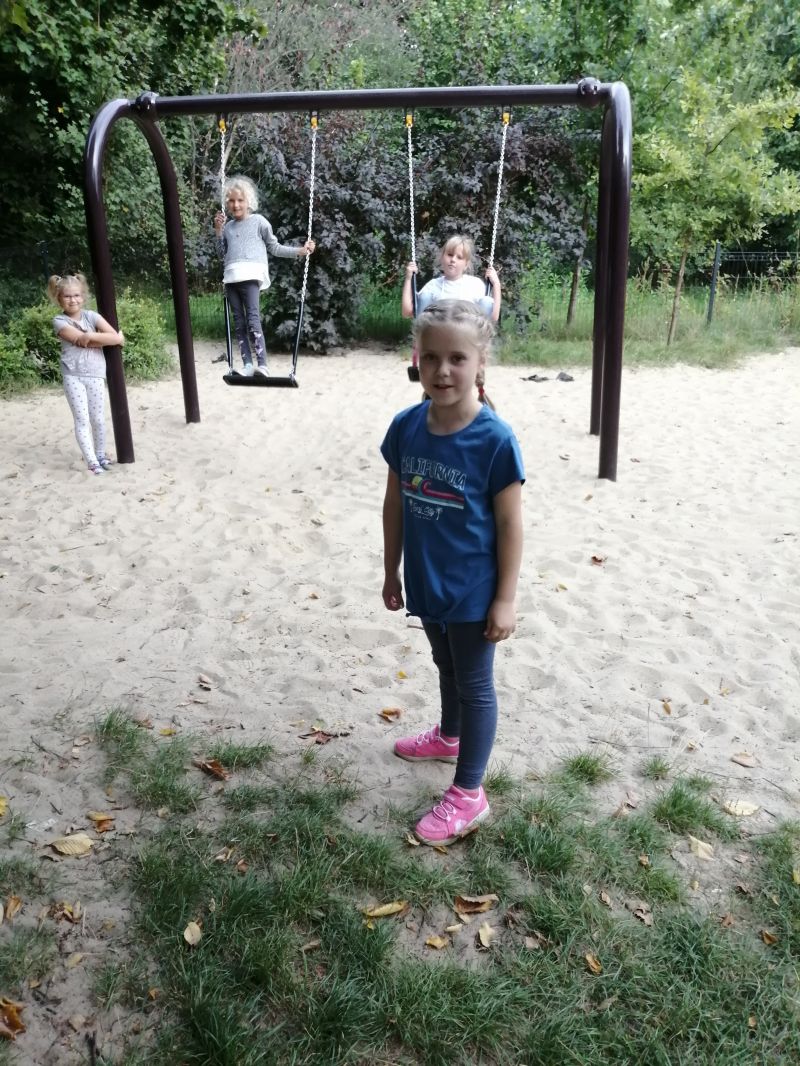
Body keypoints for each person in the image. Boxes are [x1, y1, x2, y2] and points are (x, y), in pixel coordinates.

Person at [381, 299, 524, 846]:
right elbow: (394, 504)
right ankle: (449, 735)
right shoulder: (406, 427)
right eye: (432, 357)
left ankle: (469, 792)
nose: (443, 370)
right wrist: (391, 570)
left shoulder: (494, 440)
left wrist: (504, 599)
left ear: (481, 363)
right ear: (416, 359)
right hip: (426, 579)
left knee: (475, 683)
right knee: (445, 663)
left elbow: (510, 526)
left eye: (458, 359)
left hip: (473, 589)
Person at [214, 175, 315, 377]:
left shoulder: (259, 222)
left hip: (251, 275)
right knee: (239, 323)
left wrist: (300, 251)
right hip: (232, 278)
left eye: (240, 200)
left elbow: (274, 247)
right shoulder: (228, 228)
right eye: (231, 200)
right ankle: (247, 366)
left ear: (249, 201)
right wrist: (218, 232)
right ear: (227, 203)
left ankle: (263, 365)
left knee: (252, 319)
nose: (236, 205)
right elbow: (221, 254)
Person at [49, 273, 125, 476]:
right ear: (59, 298)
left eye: (76, 295)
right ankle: (92, 462)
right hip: (73, 375)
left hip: (96, 374)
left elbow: (114, 337)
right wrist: (96, 337)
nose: (72, 300)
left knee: (98, 419)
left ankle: (100, 455)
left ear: (83, 296)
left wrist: (92, 336)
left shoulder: (92, 317)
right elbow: (84, 341)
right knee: (82, 419)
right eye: (67, 296)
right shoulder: (59, 321)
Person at [402, 234, 501, 324]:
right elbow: (407, 312)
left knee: (486, 301)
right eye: (450, 255)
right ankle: (422, 336)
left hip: (467, 335)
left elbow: (493, 317)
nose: (453, 260)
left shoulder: (475, 285)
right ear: (442, 257)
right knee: (425, 296)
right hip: (439, 333)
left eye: (459, 257)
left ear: (466, 264)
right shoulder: (433, 286)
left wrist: (496, 284)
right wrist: (408, 278)